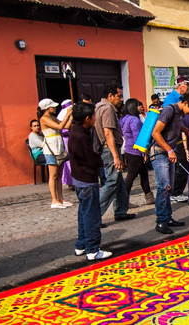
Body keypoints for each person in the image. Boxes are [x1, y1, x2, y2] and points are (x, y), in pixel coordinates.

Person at [151, 92, 189, 234]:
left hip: (168, 152)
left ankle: (167, 217)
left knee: (169, 188)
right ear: (185, 103)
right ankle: (161, 221)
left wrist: (188, 131)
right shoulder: (169, 110)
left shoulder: (179, 113)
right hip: (160, 152)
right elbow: (156, 132)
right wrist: (169, 150)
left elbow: (176, 126)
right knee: (163, 187)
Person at [68, 101, 111, 260]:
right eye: (93, 117)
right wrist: (100, 161)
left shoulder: (77, 130)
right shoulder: (80, 136)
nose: (95, 119)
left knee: (83, 213)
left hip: (80, 178)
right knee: (91, 215)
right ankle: (92, 249)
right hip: (86, 179)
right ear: (87, 118)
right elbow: (89, 158)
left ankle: (81, 245)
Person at [94, 84, 135, 223]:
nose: (121, 99)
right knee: (112, 181)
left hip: (109, 149)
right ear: (110, 96)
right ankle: (94, 215)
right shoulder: (107, 109)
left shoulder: (100, 107)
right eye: (119, 96)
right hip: (110, 149)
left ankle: (121, 211)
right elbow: (108, 133)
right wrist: (116, 157)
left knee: (118, 182)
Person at [38, 98, 73, 209]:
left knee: (58, 175)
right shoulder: (44, 119)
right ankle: (54, 199)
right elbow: (59, 126)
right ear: (47, 108)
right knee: (53, 175)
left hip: (59, 147)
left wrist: (71, 115)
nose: (55, 108)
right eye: (53, 107)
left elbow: (66, 126)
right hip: (51, 149)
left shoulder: (53, 117)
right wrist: (67, 114)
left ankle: (61, 198)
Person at [120, 98, 154, 206]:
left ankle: (149, 196)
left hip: (129, 150)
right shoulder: (134, 120)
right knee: (131, 176)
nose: (140, 107)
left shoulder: (125, 119)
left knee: (143, 174)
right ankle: (124, 200)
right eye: (138, 105)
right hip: (136, 151)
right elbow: (138, 138)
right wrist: (144, 153)